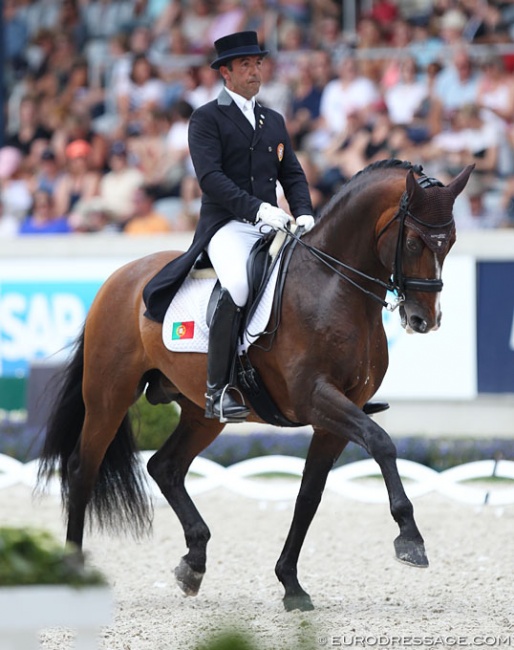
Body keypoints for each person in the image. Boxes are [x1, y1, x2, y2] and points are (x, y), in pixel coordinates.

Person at [142, 30, 315, 423]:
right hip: (227, 225)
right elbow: (211, 179)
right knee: (238, 284)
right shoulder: (206, 119)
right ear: (225, 72)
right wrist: (257, 209)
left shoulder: (273, 119)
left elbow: (293, 173)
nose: (254, 71)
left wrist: (303, 210)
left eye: (257, 63)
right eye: (245, 65)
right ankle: (217, 389)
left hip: (272, 223)